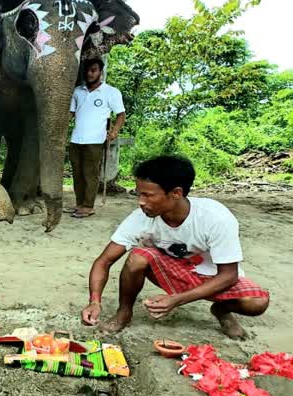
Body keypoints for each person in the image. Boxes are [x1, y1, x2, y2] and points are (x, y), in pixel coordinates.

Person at [80, 156, 269, 340]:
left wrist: (177, 300)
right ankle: (124, 312)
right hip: (172, 272)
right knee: (137, 257)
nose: (141, 201)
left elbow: (228, 275)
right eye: (139, 194)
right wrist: (94, 301)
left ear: (176, 193)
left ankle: (221, 309)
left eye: (148, 195)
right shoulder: (140, 217)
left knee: (257, 303)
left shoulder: (215, 217)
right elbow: (104, 261)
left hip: (213, 277)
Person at [67, 58, 126, 218]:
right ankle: (79, 204)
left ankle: (88, 206)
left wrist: (114, 132)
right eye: (87, 70)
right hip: (76, 139)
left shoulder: (111, 92)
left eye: (93, 70)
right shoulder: (78, 91)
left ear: (100, 72)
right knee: (77, 174)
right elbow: (71, 114)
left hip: (95, 140)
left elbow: (121, 115)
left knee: (90, 174)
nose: (89, 73)